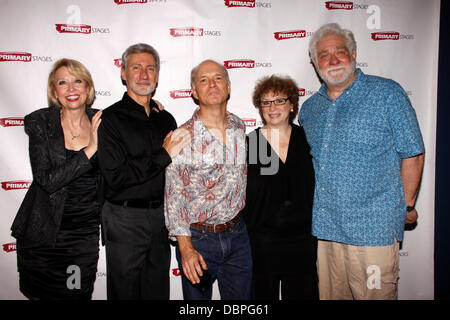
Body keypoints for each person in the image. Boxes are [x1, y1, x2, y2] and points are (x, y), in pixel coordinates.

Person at [299, 23, 425, 300]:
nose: (332, 60)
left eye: (340, 52)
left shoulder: (387, 94)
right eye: (323, 55)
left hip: (373, 231)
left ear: (354, 54)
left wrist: (407, 205)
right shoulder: (309, 109)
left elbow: (413, 152)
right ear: (314, 63)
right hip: (327, 230)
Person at [97, 43, 190, 300]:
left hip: (161, 219)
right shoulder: (111, 119)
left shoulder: (165, 119)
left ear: (158, 75)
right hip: (124, 218)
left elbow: (176, 174)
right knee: (124, 293)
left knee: (157, 291)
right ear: (123, 73)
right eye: (136, 68)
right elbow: (117, 177)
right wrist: (163, 155)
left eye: (150, 68)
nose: (144, 74)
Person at [10, 58, 102, 300]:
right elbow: (47, 180)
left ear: (88, 88)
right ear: (54, 91)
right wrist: (90, 150)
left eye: (77, 81)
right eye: (63, 83)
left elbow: (132, 116)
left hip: (81, 238)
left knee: (75, 294)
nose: (71, 89)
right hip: (42, 235)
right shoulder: (40, 122)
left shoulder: (103, 122)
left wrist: (150, 105)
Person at [164, 59, 252, 300]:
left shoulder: (239, 125)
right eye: (203, 80)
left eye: (218, 78)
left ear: (229, 86)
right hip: (199, 241)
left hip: (238, 235)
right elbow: (175, 197)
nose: (212, 84)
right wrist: (185, 249)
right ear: (193, 91)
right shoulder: (182, 136)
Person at [242, 75, 318, 300]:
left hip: (303, 239)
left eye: (279, 101)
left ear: (292, 105)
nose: (272, 107)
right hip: (264, 241)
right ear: (260, 108)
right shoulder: (253, 142)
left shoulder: (306, 139)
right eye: (266, 102)